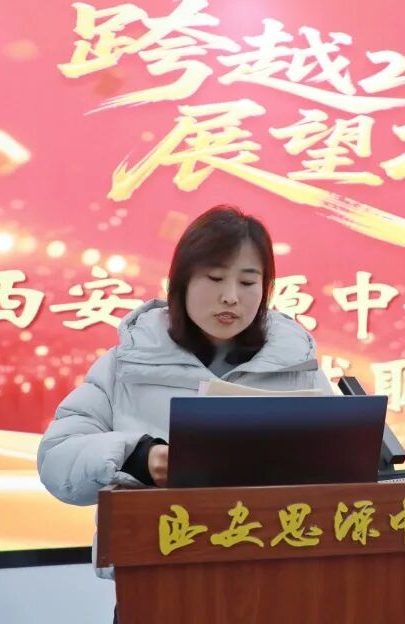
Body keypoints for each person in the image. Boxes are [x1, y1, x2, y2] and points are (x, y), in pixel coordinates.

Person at [36, 205, 333, 598]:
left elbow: (344, 468)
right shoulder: (128, 363)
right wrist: (138, 457)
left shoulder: (298, 365)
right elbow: (56, 459)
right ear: (181, 281)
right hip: (162, 586)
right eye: (215, 278)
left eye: (248, 282)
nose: (231, 297)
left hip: (278, 584)